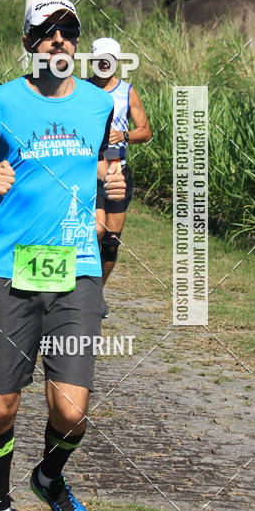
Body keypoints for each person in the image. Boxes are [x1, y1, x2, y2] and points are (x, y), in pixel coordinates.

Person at [0, 0, 126, 511]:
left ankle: (48, 476)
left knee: (71, 411)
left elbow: (94, 162)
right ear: (30, 44)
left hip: (76, 267)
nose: (60, 41)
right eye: (47, 32)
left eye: (68, 31)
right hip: (13, 266)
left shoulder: (99, 106)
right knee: (1, 406)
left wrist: (111, 185)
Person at [88, 38, 151, 314]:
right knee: (94, 231)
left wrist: (122, 135)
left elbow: (146, 132)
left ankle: (95, 294)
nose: (103, 63)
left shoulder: (127, 92)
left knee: (111, 241)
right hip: (88, 169)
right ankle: (81, 291)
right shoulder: (80, 89)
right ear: (91, 61)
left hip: (117, 170)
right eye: (99, 58)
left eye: (108, 59)